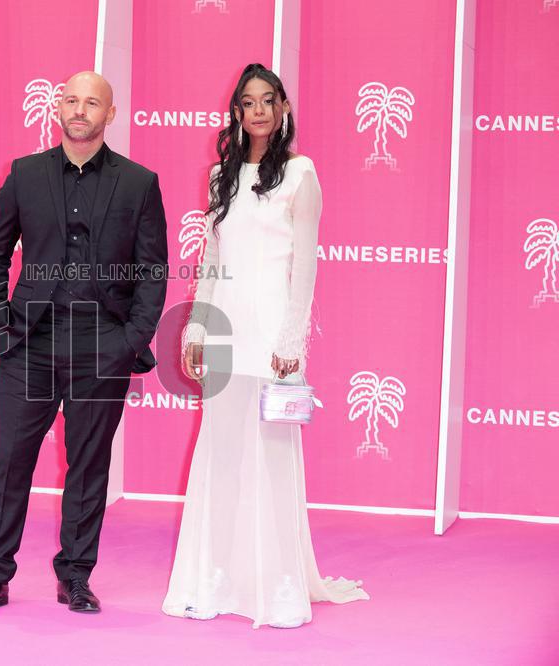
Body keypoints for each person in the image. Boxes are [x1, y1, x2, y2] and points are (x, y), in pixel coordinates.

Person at [163, 63, 368, 628]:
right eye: (248, 102)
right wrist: (197, 327)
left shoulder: (301, 175)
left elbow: (305, 264)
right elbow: (211, 262)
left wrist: (291, 338)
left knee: (273, 458)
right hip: (227, 332)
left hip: (273, 334)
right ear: (237, 112)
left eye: (267, 100)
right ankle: (215, 582)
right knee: (222, 456)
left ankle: (277, 589)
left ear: (282, 110)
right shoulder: (220, 178)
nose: (257, 110)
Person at [0, 71, 168, 616]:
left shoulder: (139, 183)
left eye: (92, 102)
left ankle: (75, 576)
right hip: (31, 341)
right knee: (8, 462)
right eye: (72, 100)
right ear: (59, 108)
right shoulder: (25, 174)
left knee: (89, 465)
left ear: (111, 113)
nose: (81, 109)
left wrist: (130, 341)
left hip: (104, 344)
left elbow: (152, 271)